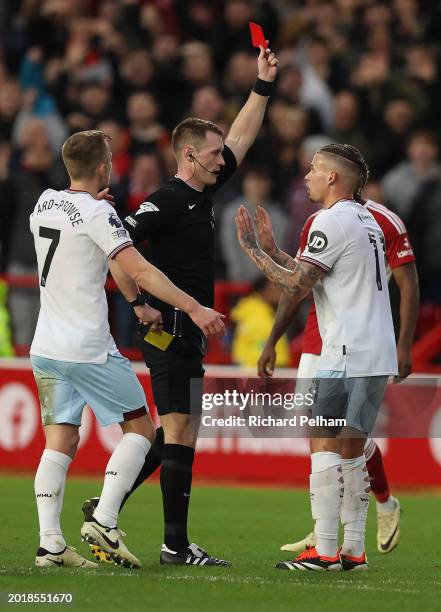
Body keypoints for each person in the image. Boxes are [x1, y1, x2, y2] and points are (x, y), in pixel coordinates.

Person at [83, 44, 279, 568]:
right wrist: (136, 303)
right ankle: (171, 544)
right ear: (190, 155)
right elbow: (115, 247)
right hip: (169, 327)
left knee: (177, 429)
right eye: (214, 153)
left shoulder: (202, 195)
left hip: (184, 328)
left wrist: (261, 86)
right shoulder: (167, 200)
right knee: (181, 428)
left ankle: (107, 507)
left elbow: (240, 136)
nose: (224, 158)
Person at [31, 130, 225, 569]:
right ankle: (105, 520)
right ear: (104, 167)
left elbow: (76, 222)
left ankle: (50, 545)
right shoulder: (99, 214)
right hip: (88, 346)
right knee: (142, 431)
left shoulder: (43, 201)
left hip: (46, 345)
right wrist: (194, 307)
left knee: (59, 441)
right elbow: (138, 268)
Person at [236, 143, 398, 571]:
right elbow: (321, 272)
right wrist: (274, 251)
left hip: (344, 350)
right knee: (351, 449)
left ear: (332, 178)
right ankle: (354, 551)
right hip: (377, 349)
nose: (306, 175)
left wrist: (252, 248)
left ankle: (325, 550)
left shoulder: (329, 219)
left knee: (324, 443)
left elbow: (298, 285)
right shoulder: (368, 220)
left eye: (313, 169)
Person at [256, 198, 418, 555]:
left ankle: (379, 506)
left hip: (356, 341)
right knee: (326, 438)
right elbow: (300, 281)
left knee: (342, 438)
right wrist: (273, 339)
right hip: (319, 341)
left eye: (318, 168)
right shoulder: (318, 218)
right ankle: (332, 533)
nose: (311, 175)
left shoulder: (385, 221)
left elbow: (408, 283)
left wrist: (404, 343)